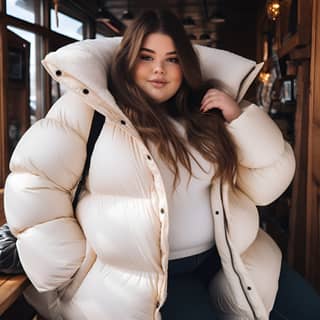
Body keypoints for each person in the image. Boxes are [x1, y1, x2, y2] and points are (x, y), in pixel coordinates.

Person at [3, 9, 320, 320]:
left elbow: (269, 186)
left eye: (172, 59)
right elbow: (35, 182)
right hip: (149, 276)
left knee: (307, 309)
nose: (159, 69)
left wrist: (239, 118)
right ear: (127, 59)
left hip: (227, 256)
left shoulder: (207, 112)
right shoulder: (89, 108)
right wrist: (69, 263)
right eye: (146, 57)